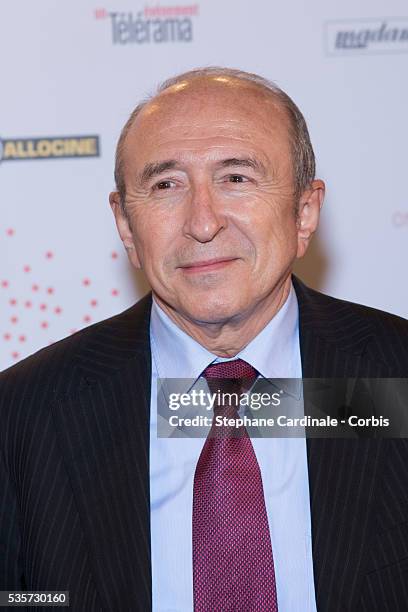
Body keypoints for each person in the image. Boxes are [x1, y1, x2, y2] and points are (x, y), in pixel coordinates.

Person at [1, 67, 408, 612]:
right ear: (125, 223)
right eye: (166, 185)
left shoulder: (395, 377)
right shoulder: (24, 413)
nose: (202, 221)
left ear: (304, 210)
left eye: (236, 178)